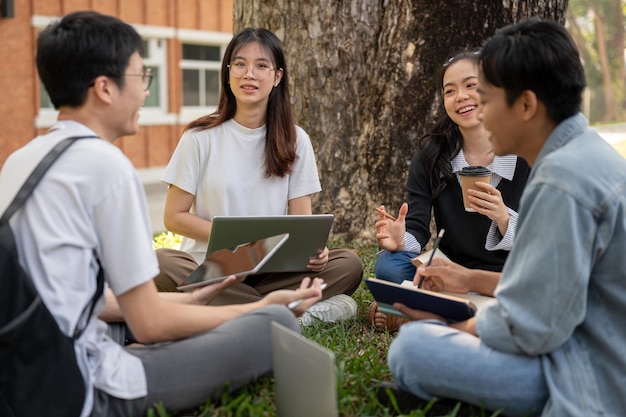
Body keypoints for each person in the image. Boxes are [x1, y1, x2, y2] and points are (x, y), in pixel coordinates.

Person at [0, 11, 326, 417]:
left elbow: (78, 296)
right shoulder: (108, 167)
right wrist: (262, 309)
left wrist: (194, 302)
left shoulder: (19, 160)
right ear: (104, 88)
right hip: (83, 386)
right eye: (142, 78)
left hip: (24, 363)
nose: (145, 93)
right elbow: (150, 323)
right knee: (274, 326)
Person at [385, 18, 626, 417]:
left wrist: (447, 323)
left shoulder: (559, 183)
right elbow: (551, 290)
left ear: (527, 105)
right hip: (588, 347)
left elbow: (529, 329)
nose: (479, 109)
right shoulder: (585, 154)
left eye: (487, 97)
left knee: (412, 348)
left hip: (586, 375)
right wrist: (468, 279)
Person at [154, 27, 363, 325]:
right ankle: (286, 313)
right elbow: (174, 217)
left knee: (348, 265)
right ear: (228, 73)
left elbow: (303, 222)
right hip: (210, 269)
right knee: (161, 263)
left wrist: (318, 253)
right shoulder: (199, 137)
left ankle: (236, 313)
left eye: (261, 66)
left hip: (271, 270)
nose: (248, 74)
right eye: (239, 64)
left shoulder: (296, 139)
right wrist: (236, 239)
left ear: (277, 77)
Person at [369, 50, 530, 330]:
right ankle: (458, 309)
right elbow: (418, 229)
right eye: (450, 91)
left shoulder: (525, 152)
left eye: (471, 85)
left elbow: (543, 241)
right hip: (451, 268)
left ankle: (419, 312)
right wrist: (400, 240)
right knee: (389, 266)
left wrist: (504, 218)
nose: (461, 97)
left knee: (536, 285)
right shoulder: (432, 155)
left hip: (509, 271)